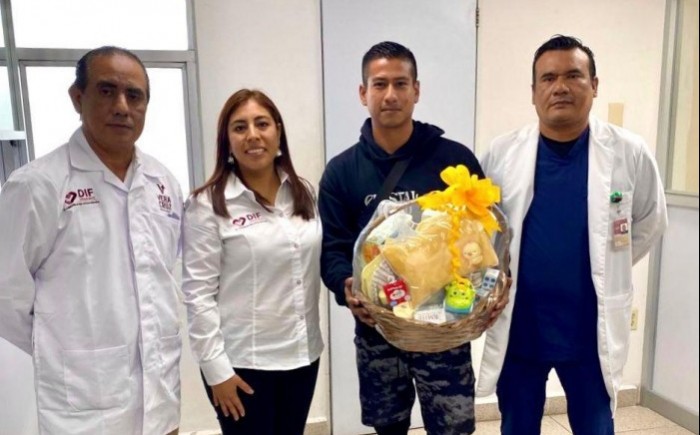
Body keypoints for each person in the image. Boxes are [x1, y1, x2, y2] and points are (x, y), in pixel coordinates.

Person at [477, 35, 668, 435]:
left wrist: (609, 266)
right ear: (534, 92)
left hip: (590, 331)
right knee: (517, 427)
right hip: (522, 328)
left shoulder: (629, 151)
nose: (560, 87)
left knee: (596, 427)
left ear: (594, 85)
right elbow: (480, 231)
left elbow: (650, 221)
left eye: (573, 76)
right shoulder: (501, 153)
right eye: (548, 78)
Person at [0, 46, 182, 435]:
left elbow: (161, 279)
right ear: (77, 97)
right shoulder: (37, 185)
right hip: (81, 410)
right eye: (106, 90)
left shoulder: (163, 182)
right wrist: (68, 354)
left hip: (160, 397)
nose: (122, 107)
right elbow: (7, 300)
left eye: (134, 95)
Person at [319, 41, 488, 435]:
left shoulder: (454, 160)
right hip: (378, 330)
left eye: (400, 83)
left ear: (416, 90)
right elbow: (333, 250)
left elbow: (482, 238)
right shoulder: (342, 171)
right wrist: (347, 286)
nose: (390, 95)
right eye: (379, 84)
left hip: (444, 330)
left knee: (453, 430)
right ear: (363, 93)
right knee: (387, 428)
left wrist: (488, 292)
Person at [182, 89, 323, 435]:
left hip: (302, 356)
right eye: (240, 127)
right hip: (243, 366)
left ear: (278, 132)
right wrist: (216, 371)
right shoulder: (207, 205)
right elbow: (198, 295)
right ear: (227, 141)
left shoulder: (303, 192)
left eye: (262, 124)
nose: (253, 135)